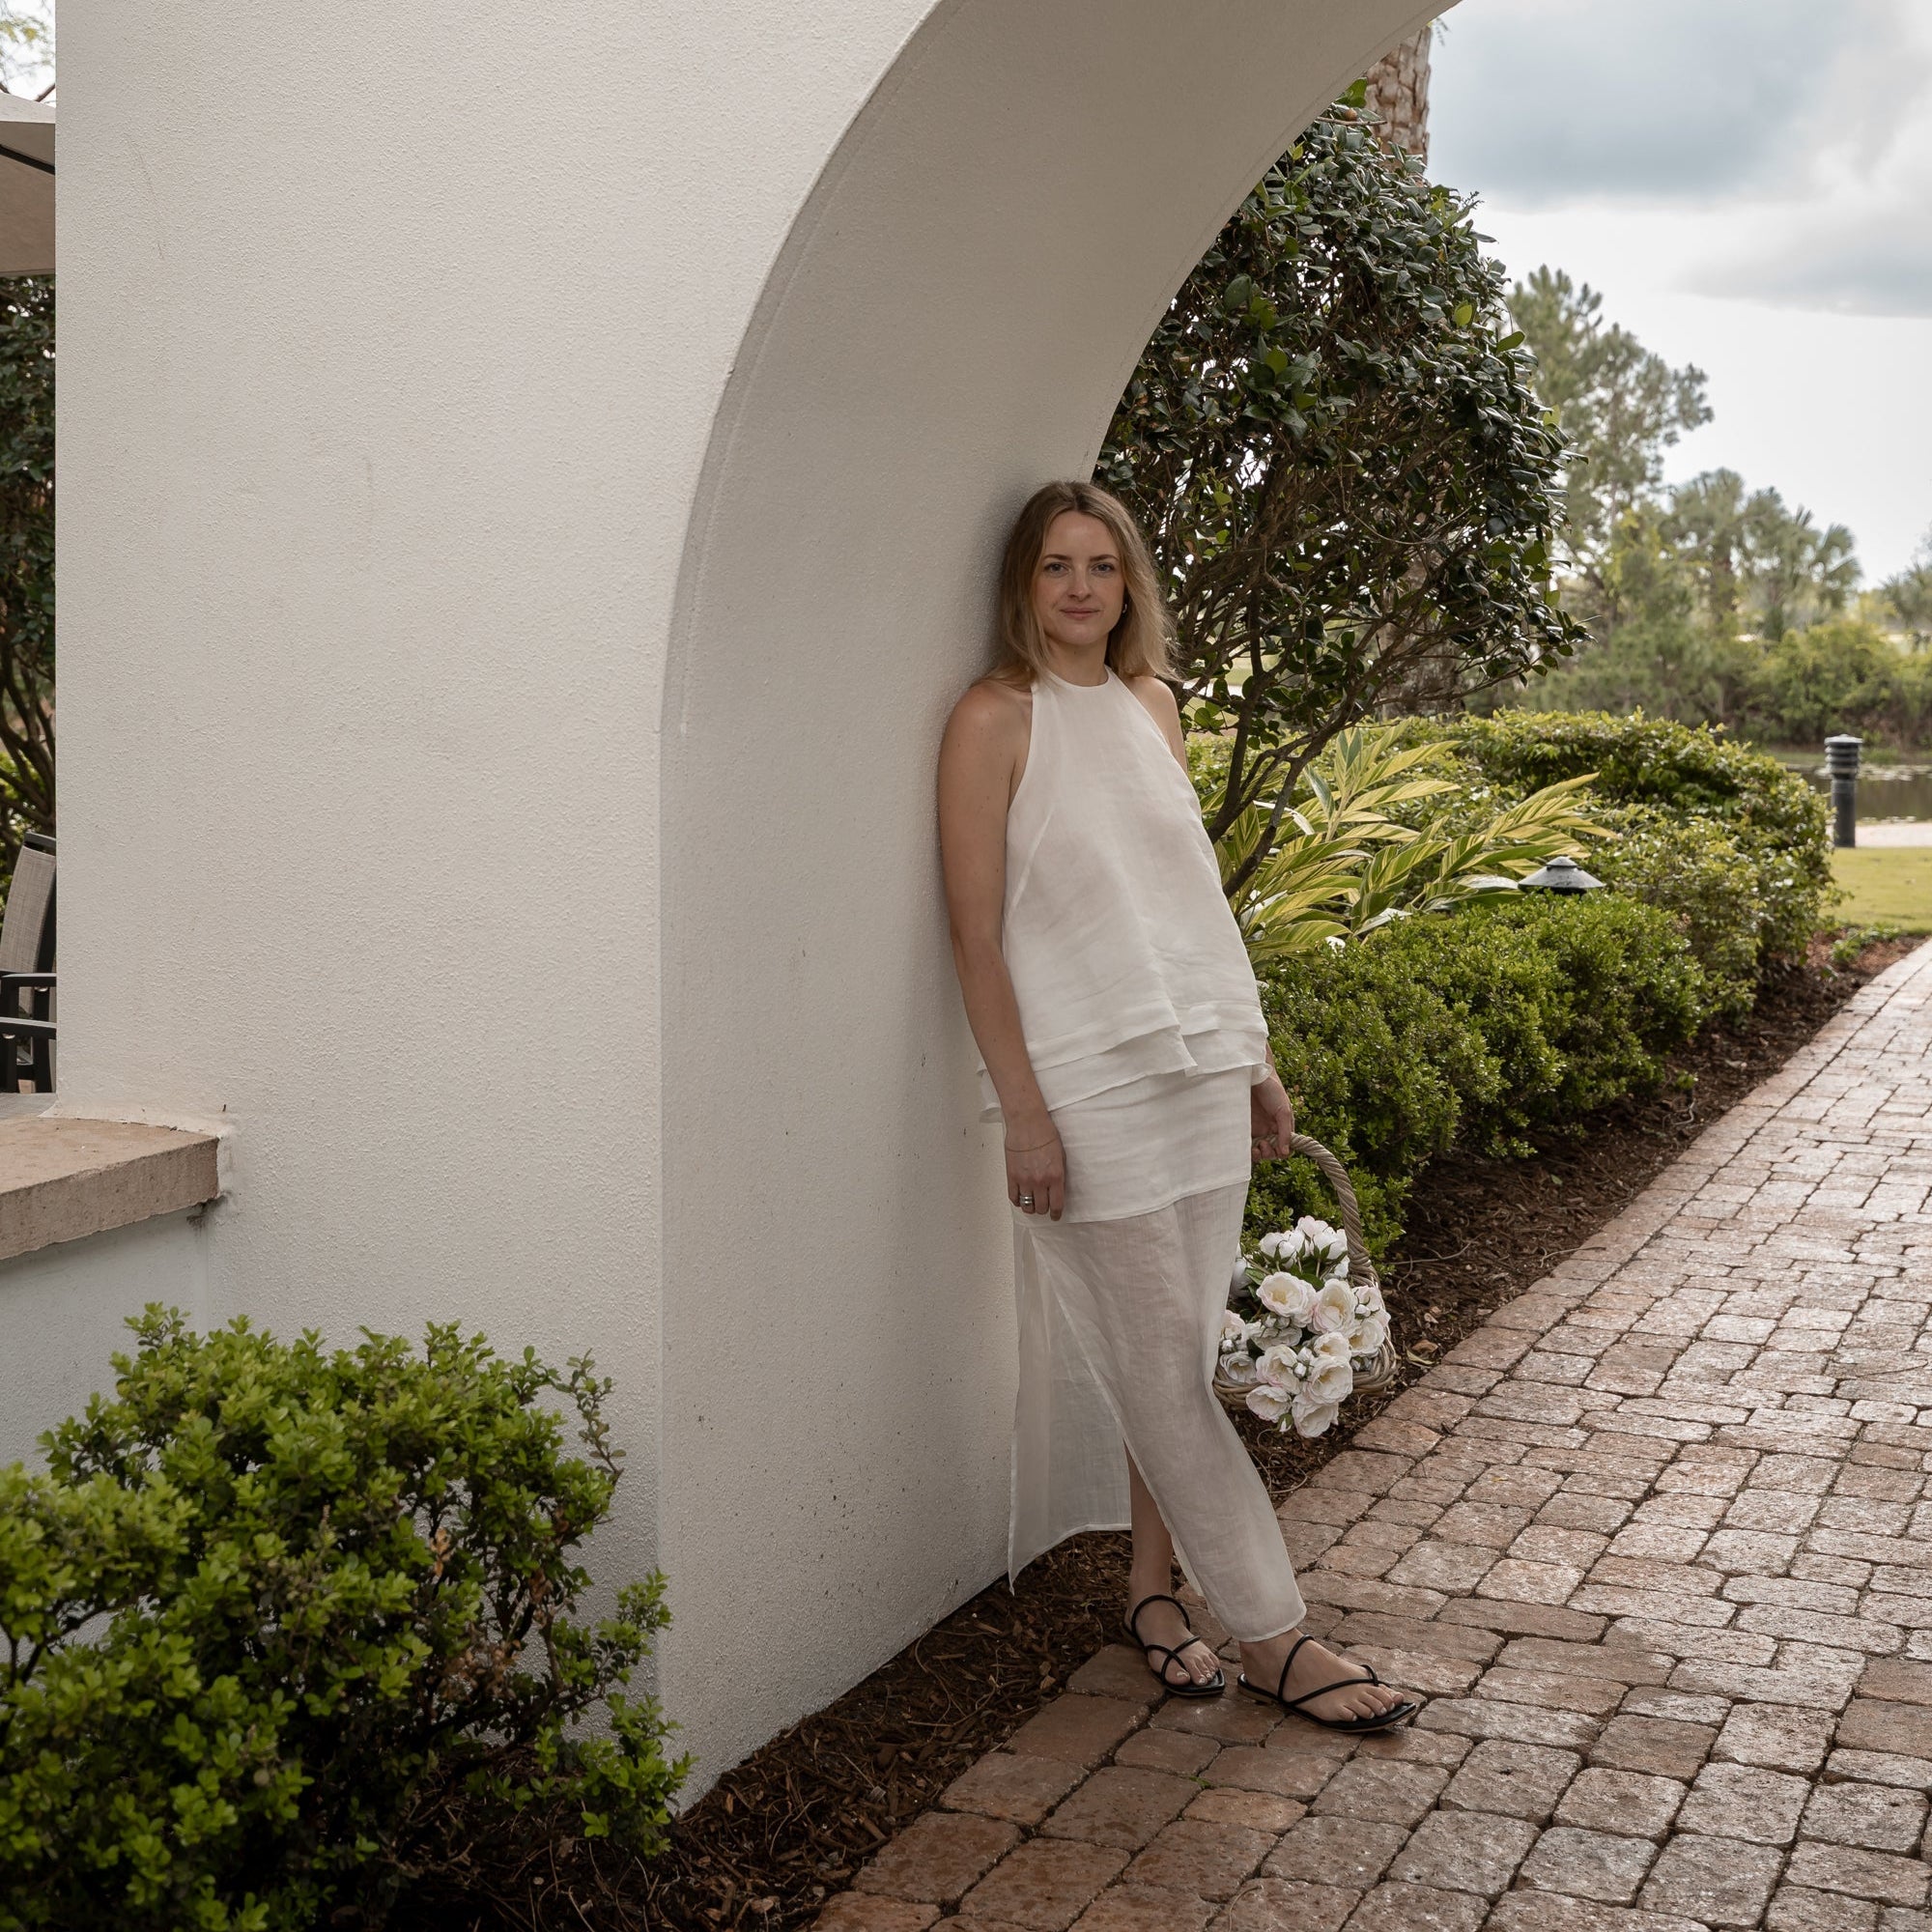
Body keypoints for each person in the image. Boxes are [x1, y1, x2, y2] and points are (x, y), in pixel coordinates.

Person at [936, 479, 1415, 1730]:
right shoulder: (993, 719)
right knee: (1161, 1372)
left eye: (1102, 566)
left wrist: (1252, 1060)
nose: (1081, 588)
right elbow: (975, 940)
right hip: (1087, 1087)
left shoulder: (1153, 705)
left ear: (1129, 585)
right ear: (1023, 583)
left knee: (1182, 1359)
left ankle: (1153, 1596)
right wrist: (1023, 1111)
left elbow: (1189, 902)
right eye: (1057, 566)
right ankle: (1273, 1635)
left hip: (1199, 1069)